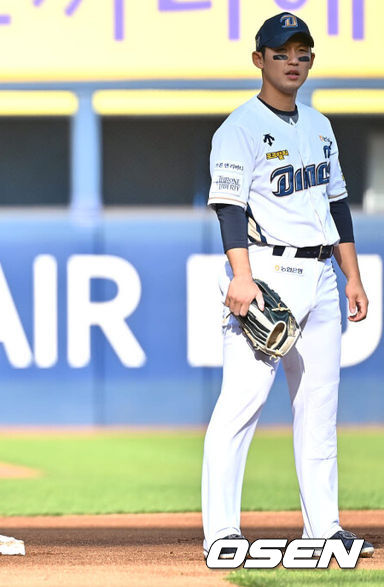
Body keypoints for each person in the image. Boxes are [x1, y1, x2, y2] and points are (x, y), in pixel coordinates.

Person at [202, 12, 372, 559]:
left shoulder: (320, 126)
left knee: (319, 407)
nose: (293, 61)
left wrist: (353, 275)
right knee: (241, 404)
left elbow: (338, 203)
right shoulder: (239, 128)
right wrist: (242, 276)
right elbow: (229, 207)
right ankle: (222, 531)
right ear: (259, 60)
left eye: (303, 52)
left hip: (322, 275)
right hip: (269, 275)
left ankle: (324, 528)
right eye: (282, 52)